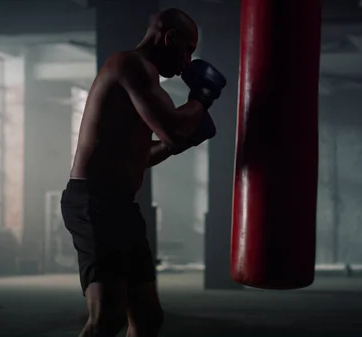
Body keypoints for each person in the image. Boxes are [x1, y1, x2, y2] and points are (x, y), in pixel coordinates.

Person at [60, 8, 226, 337]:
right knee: (107, 317)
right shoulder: (130, 66)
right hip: (94, 202)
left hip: (121, 206)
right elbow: (173, 131)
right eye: (188, 49)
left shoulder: (146, 80)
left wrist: (180, 142)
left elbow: (141, 156)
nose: (187, 62)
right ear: (169, 37)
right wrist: (201, 99)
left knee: (148, 318)